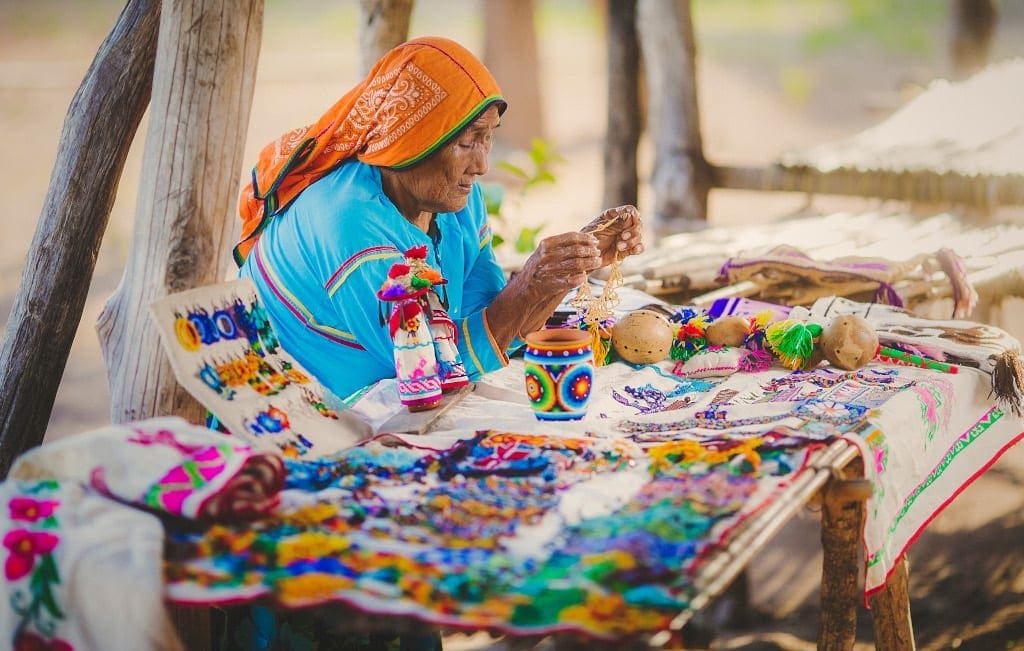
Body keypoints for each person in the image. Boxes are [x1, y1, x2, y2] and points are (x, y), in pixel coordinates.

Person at [235, 36, 644, 403]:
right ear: (407, 143)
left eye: (488, 138)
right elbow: (430, 370)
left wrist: (567, 269)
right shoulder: (350, 225)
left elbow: (484, 316)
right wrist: (532, 283)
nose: (482, 165)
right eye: (466, 142)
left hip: (387, 399)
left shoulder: (457, 202)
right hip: (296, 419)